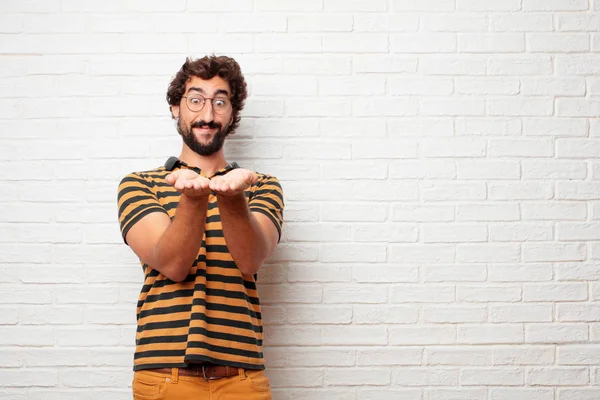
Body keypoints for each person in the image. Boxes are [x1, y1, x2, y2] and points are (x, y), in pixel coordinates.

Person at [117, 55, 283, 399]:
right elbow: (174, 265)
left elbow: (250, 260)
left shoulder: (261, 186)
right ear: (176, 107)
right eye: (195, 100)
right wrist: (193, 199)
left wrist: (233, 196)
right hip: (163, 378)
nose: (207, 115)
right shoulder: (139, 185)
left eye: (220, 102)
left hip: (243, 379)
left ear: (232, 114)